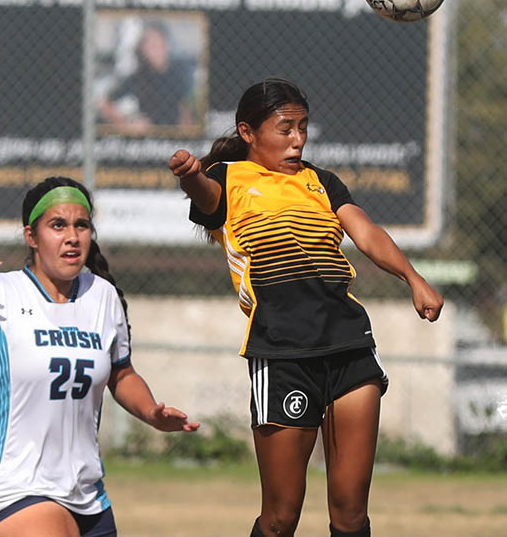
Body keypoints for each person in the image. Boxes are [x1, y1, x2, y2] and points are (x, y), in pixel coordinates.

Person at [167, 78, 443, 537]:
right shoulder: (228, 179)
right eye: (285, 128)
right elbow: (206, 197)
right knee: (280, 518)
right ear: (249, 132)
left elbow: (367, 233)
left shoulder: (322, 182)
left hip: (349, 347)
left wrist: (414, 279)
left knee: (350, 513)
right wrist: (190, 174)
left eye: (303, 128)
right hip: (282, 355)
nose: (297, 139)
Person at [0, 176, 200, 537]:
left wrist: (151, 412)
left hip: (87, 496)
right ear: (30, 236)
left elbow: (122, 373)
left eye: (81, 225)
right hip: (12, 489)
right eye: (58, 225)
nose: (72, 236)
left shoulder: (102, 295)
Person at [98, 21, 195, 135]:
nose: (154, 47)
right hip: (150, 139)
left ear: (166, 44)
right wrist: (126, 125)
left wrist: (187, 133)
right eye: (149, 43)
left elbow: (186, 108)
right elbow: (104, 103)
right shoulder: (139, 77)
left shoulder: (180, 71)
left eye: (158, 41)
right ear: (143, 49)